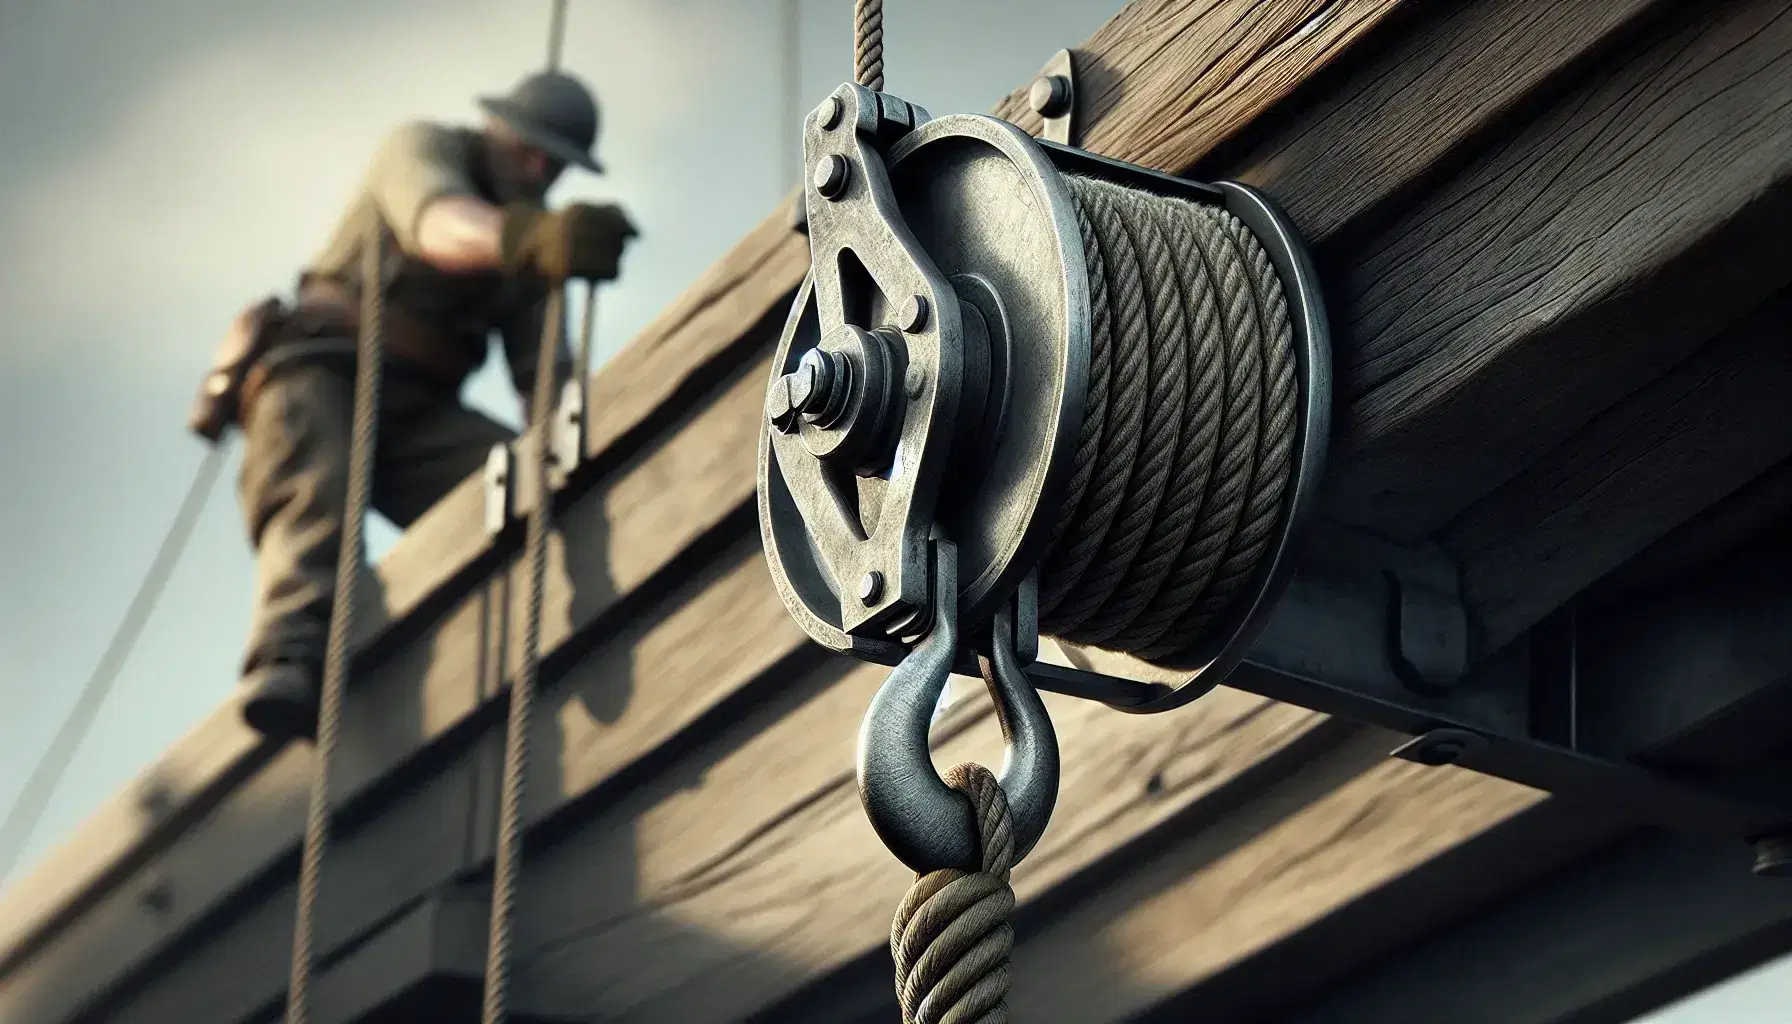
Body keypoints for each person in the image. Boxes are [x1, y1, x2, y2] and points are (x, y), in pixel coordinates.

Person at [189, 69, 637, 744]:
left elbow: (548, 390)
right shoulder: (428, 150)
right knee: (316, 488)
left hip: (420, 416)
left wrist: (576, 476)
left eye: (555, 162)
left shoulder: (532, 245)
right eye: (530, 147)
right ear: (498, 127)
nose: (539, 167)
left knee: (507, 482)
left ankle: (513, 642)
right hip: (323, 371)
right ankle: (290, 651)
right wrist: (535, 243)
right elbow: (439, 225)